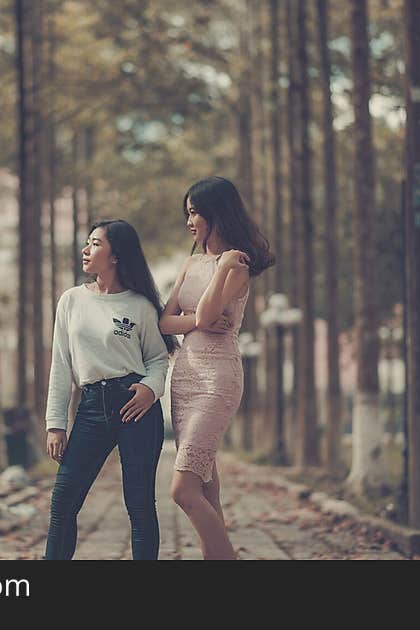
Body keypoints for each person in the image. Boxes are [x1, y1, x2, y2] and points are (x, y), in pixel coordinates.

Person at [44, 219, 176, 560]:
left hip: (137, 406)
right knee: (63, 502)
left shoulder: (140, 306)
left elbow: (159, 359)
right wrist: (55, 423)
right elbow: (61, 364)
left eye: (95, 244)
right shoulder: (71, 300)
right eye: (87, 243)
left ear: (115, 255)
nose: (86, 250)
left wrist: (150, 389)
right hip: (90, 407)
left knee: (140, 505)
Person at [160, 176, 275, 560]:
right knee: (207, 489)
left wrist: (223, 266)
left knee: (183, 490)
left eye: (195, 212)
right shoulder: (191, 263)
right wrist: (197, 320)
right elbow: (165, 322)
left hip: (217, 379)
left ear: (216, 214)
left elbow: (209, 314)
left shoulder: (237, 263)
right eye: (187, 212)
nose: (190, 220)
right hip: (184, 378)